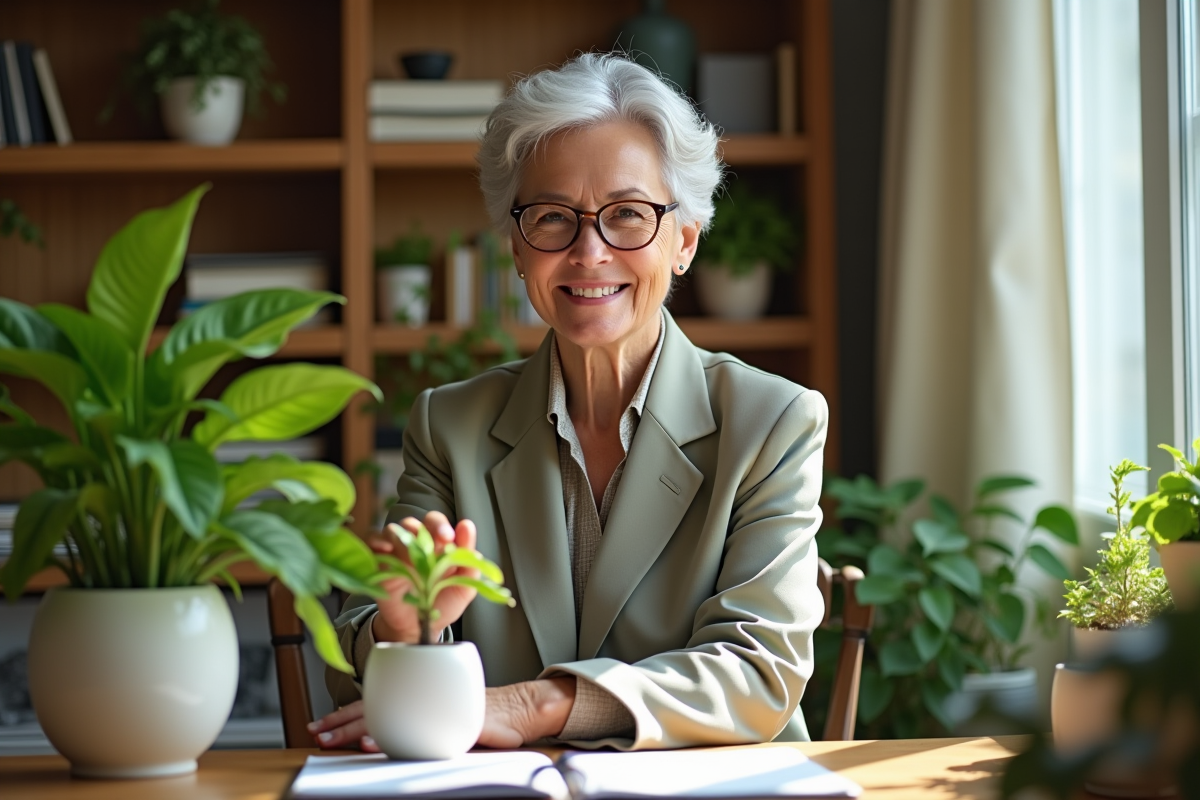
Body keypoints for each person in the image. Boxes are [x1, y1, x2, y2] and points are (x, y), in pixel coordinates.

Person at [310, 53, 828, 752]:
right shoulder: (449, 425)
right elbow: (354, 662)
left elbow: (758, 671)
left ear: (683, 241)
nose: (589, 251)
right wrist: (404, 631)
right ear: (517, 250)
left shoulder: (774, 422)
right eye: (553, 218)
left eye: (627, 215)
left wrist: (536, 705)